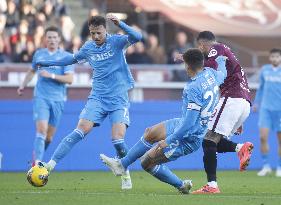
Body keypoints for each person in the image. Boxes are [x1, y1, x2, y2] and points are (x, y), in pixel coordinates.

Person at [36, 15, 142, 190]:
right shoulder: (88, 47)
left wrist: (120, 24)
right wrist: (48, 63)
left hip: (118, 97)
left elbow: (137, 37)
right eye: (92, 33)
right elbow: (70, 59)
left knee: (117, 139)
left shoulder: (117, 42)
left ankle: (124, 172)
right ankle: (50, 165)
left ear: (105, 30)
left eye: (98, 33)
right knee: (80, 130)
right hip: (98, 97)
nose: (95, 36)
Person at [100, 48, 227, 194]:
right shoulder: (211, 74)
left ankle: (181, 185)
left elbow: (189, 124)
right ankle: (121, 165)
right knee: (150, 133)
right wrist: (221, 60)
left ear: (187, 66)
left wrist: (169, 140)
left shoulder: (193, 88)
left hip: (189, 136)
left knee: (146, 162)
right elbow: (223, 74)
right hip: (183, 124)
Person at [191, 31, 254, 194]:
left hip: (232, 99)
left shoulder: (216, 48)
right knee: (215, 144)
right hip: (243, 102)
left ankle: (212, 186)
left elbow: (210, 68)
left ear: (201, 45)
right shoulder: (227, 53)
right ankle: (240, 147)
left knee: (208, 140)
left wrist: (192, 63)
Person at [17, 26, 74, 166]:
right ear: (45, 39)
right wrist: (22, 85)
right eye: (49, 37)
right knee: (41, 130)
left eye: (55, 37)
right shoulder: (39, 54)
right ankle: (37, 163)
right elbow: (31, 71)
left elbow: (70, 80)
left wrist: (51, 75)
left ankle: (38, 153)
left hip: (58, 99)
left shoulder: (66, 56)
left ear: (59, 39)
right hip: (41, 97)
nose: (52, 40)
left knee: (49, 137)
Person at [253, 48, 281, 177]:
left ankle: (279, 167)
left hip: (279, 110)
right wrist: (257, 103)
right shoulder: (265, 70)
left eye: (277, 56)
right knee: (262, 137)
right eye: (273, 57)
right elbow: (261, 88)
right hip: (266, 109)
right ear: (270, 58)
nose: (275, 59)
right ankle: (266, 166)